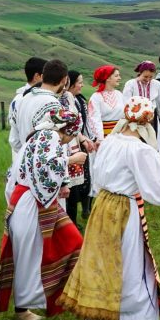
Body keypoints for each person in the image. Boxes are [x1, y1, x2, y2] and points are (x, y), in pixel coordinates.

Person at [59, 96, 160, 320]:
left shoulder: (110, 141)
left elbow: (100, 178)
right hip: (124, 210)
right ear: (147, 122)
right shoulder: (139, 149)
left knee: (103, 266)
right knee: (132, 269)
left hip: (102, 206)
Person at [0, 108, 85, 320]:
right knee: (29, 254)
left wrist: (61, 184)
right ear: (66, 129)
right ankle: (24, 308)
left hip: (36, 200)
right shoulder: (49, 136)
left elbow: (33, 168)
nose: (69, 140)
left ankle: (65, 296)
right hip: (32, 203)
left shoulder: (41, 135)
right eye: (72, 134)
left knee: (71, 242)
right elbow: (43, 167)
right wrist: (72, 159)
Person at [6, 59, 67, 201]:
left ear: (43, 76)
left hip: (22, 171)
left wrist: (24, 154)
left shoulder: (24, 99)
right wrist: (64, 181)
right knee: (45, 218)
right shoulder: (52, 104)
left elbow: (14, 140)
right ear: (64, 80)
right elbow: (56, 144)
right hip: (45, 174)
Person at [60, 71, 96, 225]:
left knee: (75, 187)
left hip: (74, 142)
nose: (82, 85)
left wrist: (84, 138)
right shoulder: (63, 100)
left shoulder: (73, 99)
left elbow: (76, 126)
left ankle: (73, 222)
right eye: (79, 82)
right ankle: (69, 223)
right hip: (65, 145)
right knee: (69, 188)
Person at [7, 56, 47, 162]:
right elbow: (14, 137)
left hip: (28, 156)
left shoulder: (18, 99)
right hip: (30, 158)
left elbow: (14, 139)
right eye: (46, 75)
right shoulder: (23, 99)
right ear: (37, 76)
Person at [87, 66, 125, 176]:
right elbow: (95, 119)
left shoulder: (119, 94)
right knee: (105, 164)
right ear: (107, 78)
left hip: (119, 135)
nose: (119, 78)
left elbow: (124, 114)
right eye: (116, 76)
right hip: (105, 135)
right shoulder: (96, 97)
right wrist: (100, 139)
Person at [122, 61, 160, 152]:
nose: (148, 79)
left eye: (151, 77)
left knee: (151, 144)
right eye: (145, 76)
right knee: (136, 144)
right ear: (140, 73)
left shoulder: (156, 84)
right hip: (134, 119)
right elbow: (125, 103)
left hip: (151, 119)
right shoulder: (130, 84)